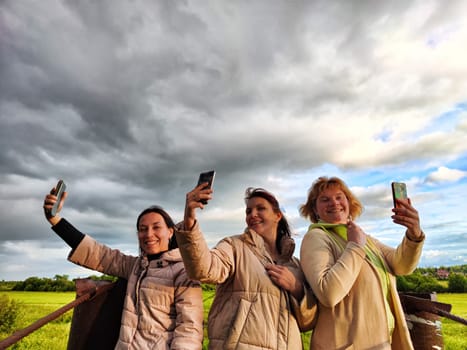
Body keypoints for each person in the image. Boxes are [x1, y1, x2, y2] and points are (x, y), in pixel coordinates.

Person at [43, 184, 204, 350]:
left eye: (156, 227)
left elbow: (189, 330)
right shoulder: (135, 267)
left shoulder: (184, 272)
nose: (149, 234)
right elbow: (98, 253)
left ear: (170, 232)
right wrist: (54, 219)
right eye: (142, 229)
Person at [175, 184, 317, 350]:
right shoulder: (234, 246)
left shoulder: (295, 265)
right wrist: (189, 221)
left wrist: (296, 287)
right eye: (248, 211)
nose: (253, 215)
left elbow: (308, 323)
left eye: (260, 208)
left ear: (278, 215)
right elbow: (204, 269)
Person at [299, 176, 425, 350]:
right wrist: (355, 247)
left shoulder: (366, 239)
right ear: (315, 209)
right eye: (325, 199)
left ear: (349, 202)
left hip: (381, 343)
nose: (334, 203)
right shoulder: (316, 237)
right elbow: (328, 293)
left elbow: (401, 265)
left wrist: (414, 234)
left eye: (339, 197)